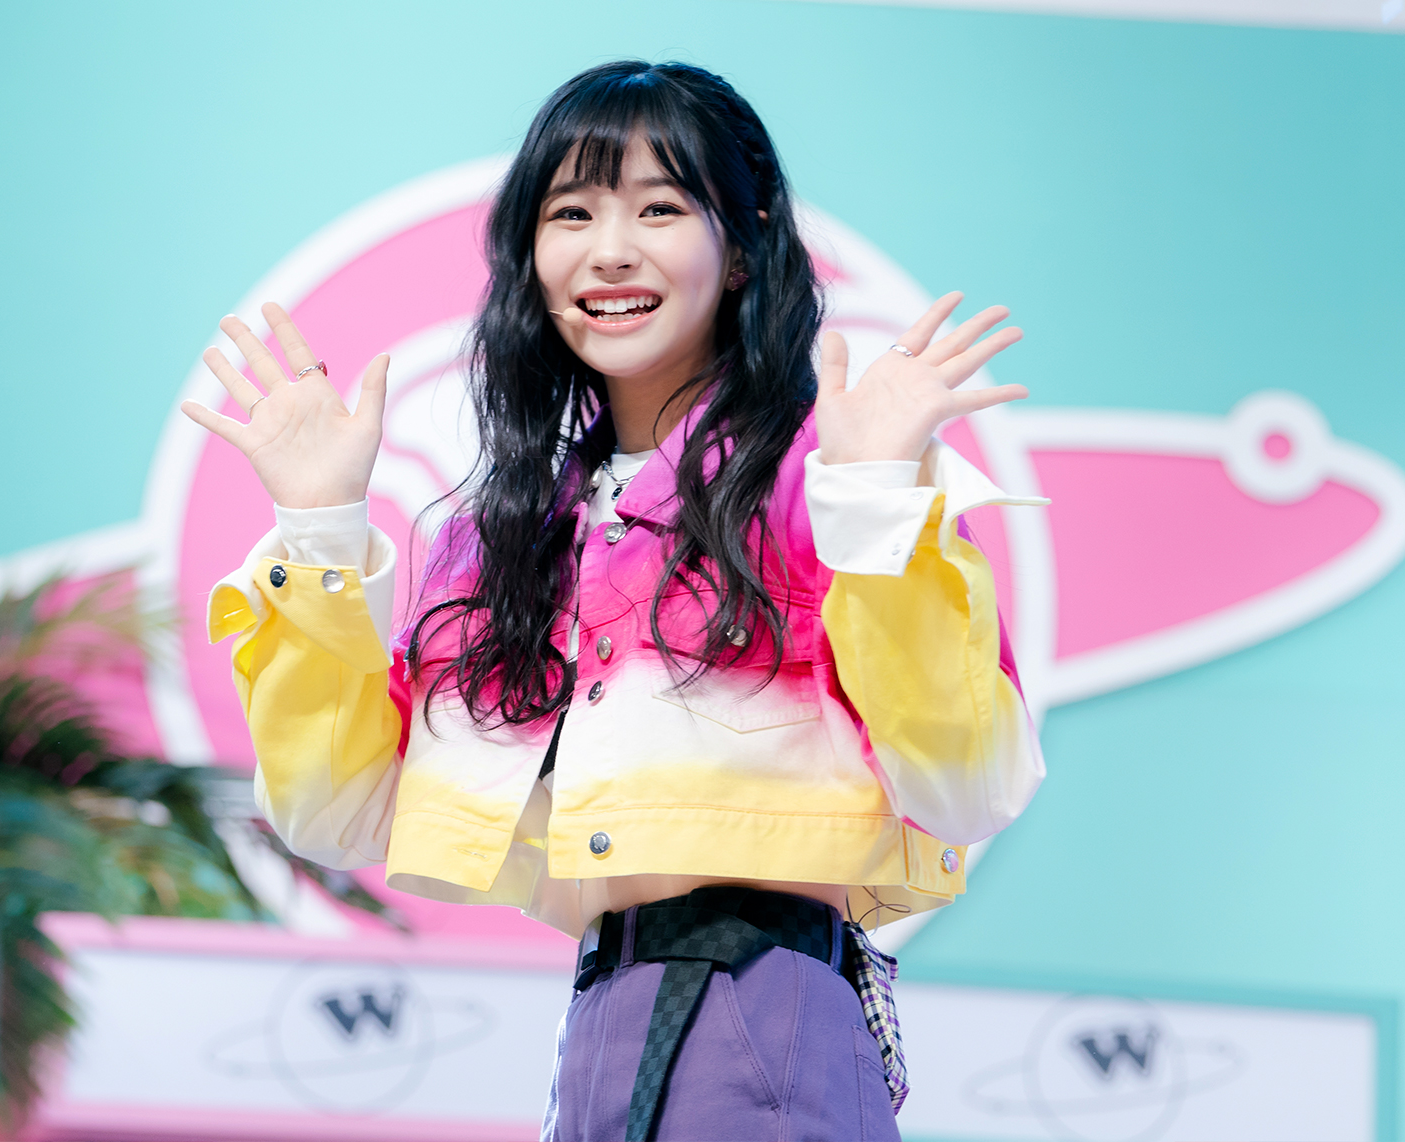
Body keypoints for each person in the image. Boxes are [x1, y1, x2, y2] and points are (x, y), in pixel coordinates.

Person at [185, 60, 1046, 1142]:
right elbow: (336, 811)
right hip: (603, 1015)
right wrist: (318, 531)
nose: (611, 249)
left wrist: (876, 500)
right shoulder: (506, 535)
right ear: (530, 256)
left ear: (744, 244)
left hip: (760, 1000)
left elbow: (966, 789)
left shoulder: (826, 482)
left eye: (660, 207)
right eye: (573, 212)